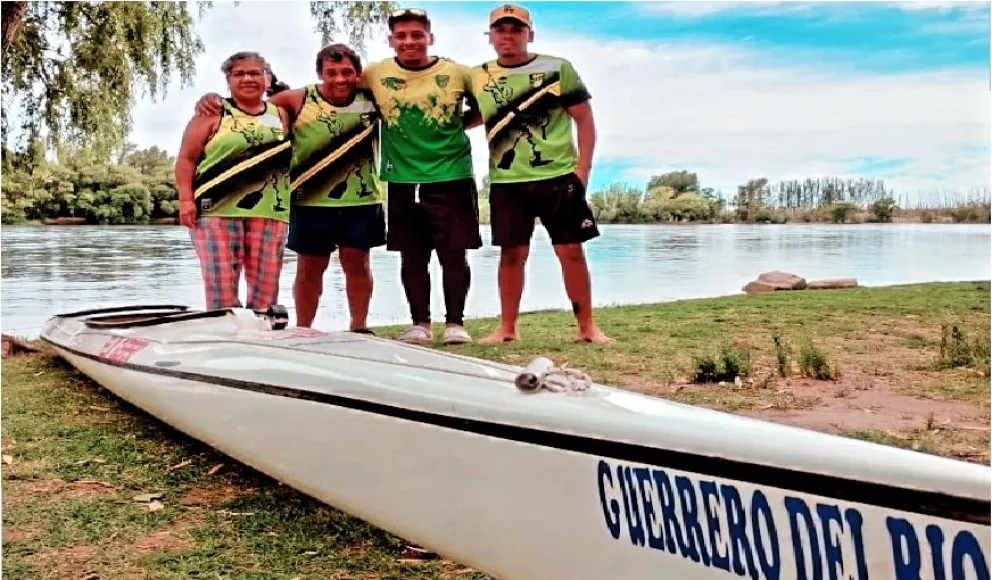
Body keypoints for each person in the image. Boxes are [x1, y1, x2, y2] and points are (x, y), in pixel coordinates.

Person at [195, 45, 386, 332]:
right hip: (308, 200)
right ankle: (303, 329)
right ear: (320, 74)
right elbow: (249, 105)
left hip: (362, 199)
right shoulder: (297, 100)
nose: (339, 79)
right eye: (331, 72)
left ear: (357, 74)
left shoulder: (371, 100)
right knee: (309, 270)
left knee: (358, 266)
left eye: (347, 72)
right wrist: (211, 100)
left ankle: (359, 327)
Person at [468, 4, 613, 344]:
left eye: (516, 29)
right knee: (512, 255)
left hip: (560, 176)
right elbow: (476, 115)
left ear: (529, 34)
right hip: (507, 182)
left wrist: (582, 172)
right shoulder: (478, 76)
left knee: (571, 251)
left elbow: (584, 119)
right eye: (500, 30)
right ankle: (506, 329)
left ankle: (587, 328)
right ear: (489, 37)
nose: (508, 36)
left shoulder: (557, 68)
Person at [361, 8, 483, 345]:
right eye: (401, 36)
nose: (409, 41)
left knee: (454, 253)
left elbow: (487, 105)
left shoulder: (459, 73)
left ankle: (455, 323)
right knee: (412, 255)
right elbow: (336, 91)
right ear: (391, 40)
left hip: (452, 175)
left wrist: (461, 124)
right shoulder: (375, 73)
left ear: (430, 38)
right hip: (402, 178)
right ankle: (420, 324)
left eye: (417, 35)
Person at [175, 51, 292, 312]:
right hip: (215, 209)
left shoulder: (283, 115)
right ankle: (224, 338)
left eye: (255, 72)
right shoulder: (212, 113)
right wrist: (185, 200)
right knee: (221, 287)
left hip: (270, 210)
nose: (247, 78)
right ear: (228, 80)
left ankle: (261, 339)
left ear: (267, 77)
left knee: (266, 289)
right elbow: (186, 159)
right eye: (239, 74)